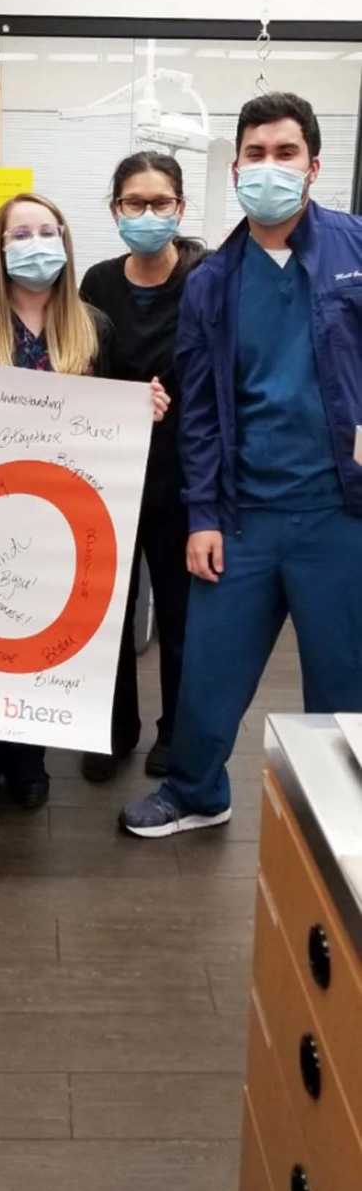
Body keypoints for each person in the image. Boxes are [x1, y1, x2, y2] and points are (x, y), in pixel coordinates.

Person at [120, 91, 362, 839]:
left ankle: (335, 810)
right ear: (234, 168)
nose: (269, 167)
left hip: (339, 513)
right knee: (209, 674)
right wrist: (202, 515)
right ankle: (197, 790)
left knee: (342, 679)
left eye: (285, 153)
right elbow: (196, 410)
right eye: (255, 154)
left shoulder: (355, 250)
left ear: (314, 165)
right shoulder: (213, 282)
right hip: (243, 514)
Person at [0, 191, 169, 812]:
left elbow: (117, 410)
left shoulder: (91, 324)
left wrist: (143, 407)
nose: (36, 243)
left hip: (63, 513)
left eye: (48, 230)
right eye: (20, 234)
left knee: (37, 636)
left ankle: (30, 762)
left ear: (67, 242)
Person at [79, 152, 204, 782]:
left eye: (161, 203)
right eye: (135, 203)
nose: (148, 215)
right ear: (115, 210)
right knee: (106, 611)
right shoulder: (97, 282)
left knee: (182, 616)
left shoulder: (206, 276)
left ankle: (175, 734)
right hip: (111, 474)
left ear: (180, 209)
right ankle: (111, 729)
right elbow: (79, 365)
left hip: (185, 476)